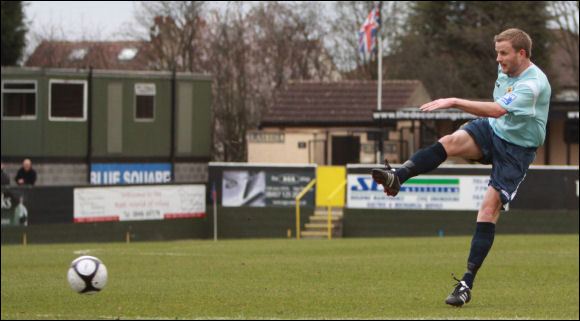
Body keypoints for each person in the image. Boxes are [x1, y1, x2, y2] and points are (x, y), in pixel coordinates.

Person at [371, 28, 551, 307]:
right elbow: (496, 117)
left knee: (488, 209)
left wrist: (454, 101)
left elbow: (496, 109)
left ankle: (466, 283)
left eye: (503, 53)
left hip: (517, 151)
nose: (498, 59)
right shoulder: (506, 71)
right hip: (494, 131)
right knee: (450, 140)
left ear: (522, 54)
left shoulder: (534, 84)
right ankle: (398, 176)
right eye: (497, 53)